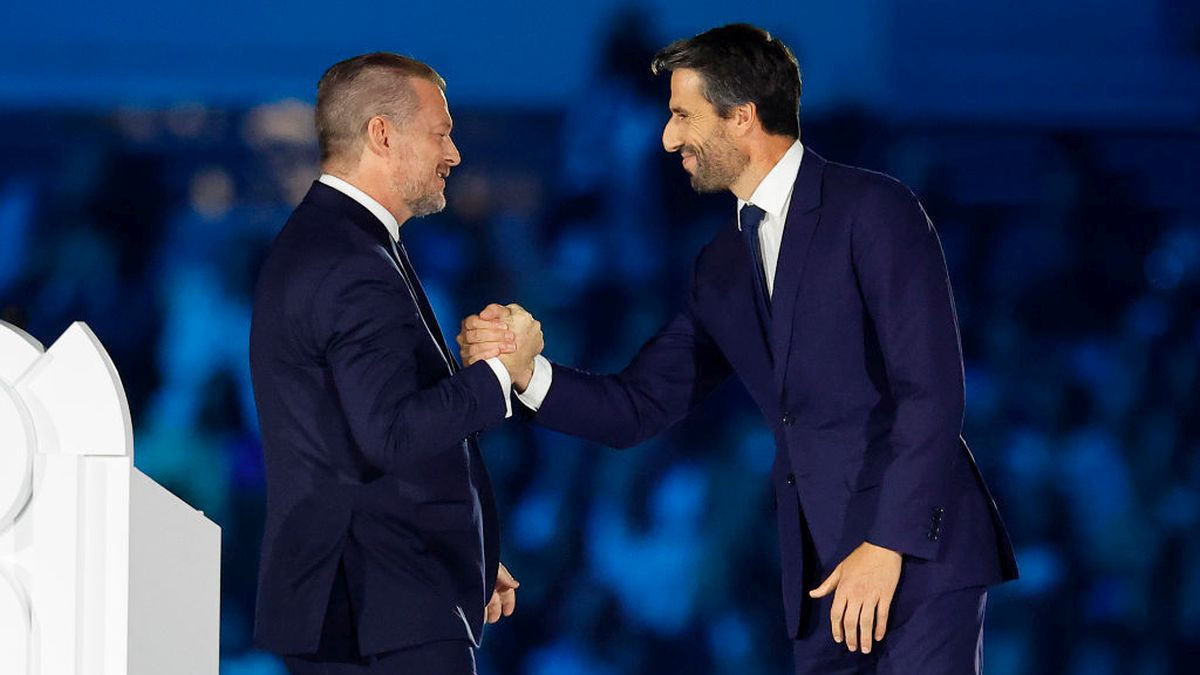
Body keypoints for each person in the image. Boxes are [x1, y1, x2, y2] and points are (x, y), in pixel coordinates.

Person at [460, 24, 1017, 674]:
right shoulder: (720, 266)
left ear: (742, 118)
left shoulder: (876, 212)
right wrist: (531, 376)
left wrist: (887, 545)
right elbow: (637, 404)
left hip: (917, 553)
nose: (668, 139)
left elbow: (933, 394)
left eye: (683, 117)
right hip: (822, 570)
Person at [250, 52, 542, 674]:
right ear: (382, 134)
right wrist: (501, 370)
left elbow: (354, 435)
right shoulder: (349, 260)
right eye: (441, 132)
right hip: (381, 613)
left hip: (373, 603)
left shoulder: (341, 242)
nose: (454, 154)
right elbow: (392, 433)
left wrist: (469, 554)